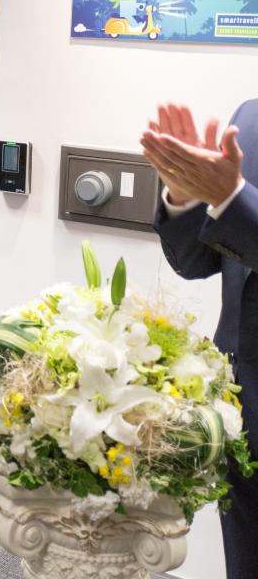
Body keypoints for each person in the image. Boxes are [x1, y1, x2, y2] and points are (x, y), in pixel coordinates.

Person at [142, 100, 258, 579]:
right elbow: (198, 261)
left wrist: (233, 199)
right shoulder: (249, 118)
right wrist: (185, 195)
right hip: (244, 405)